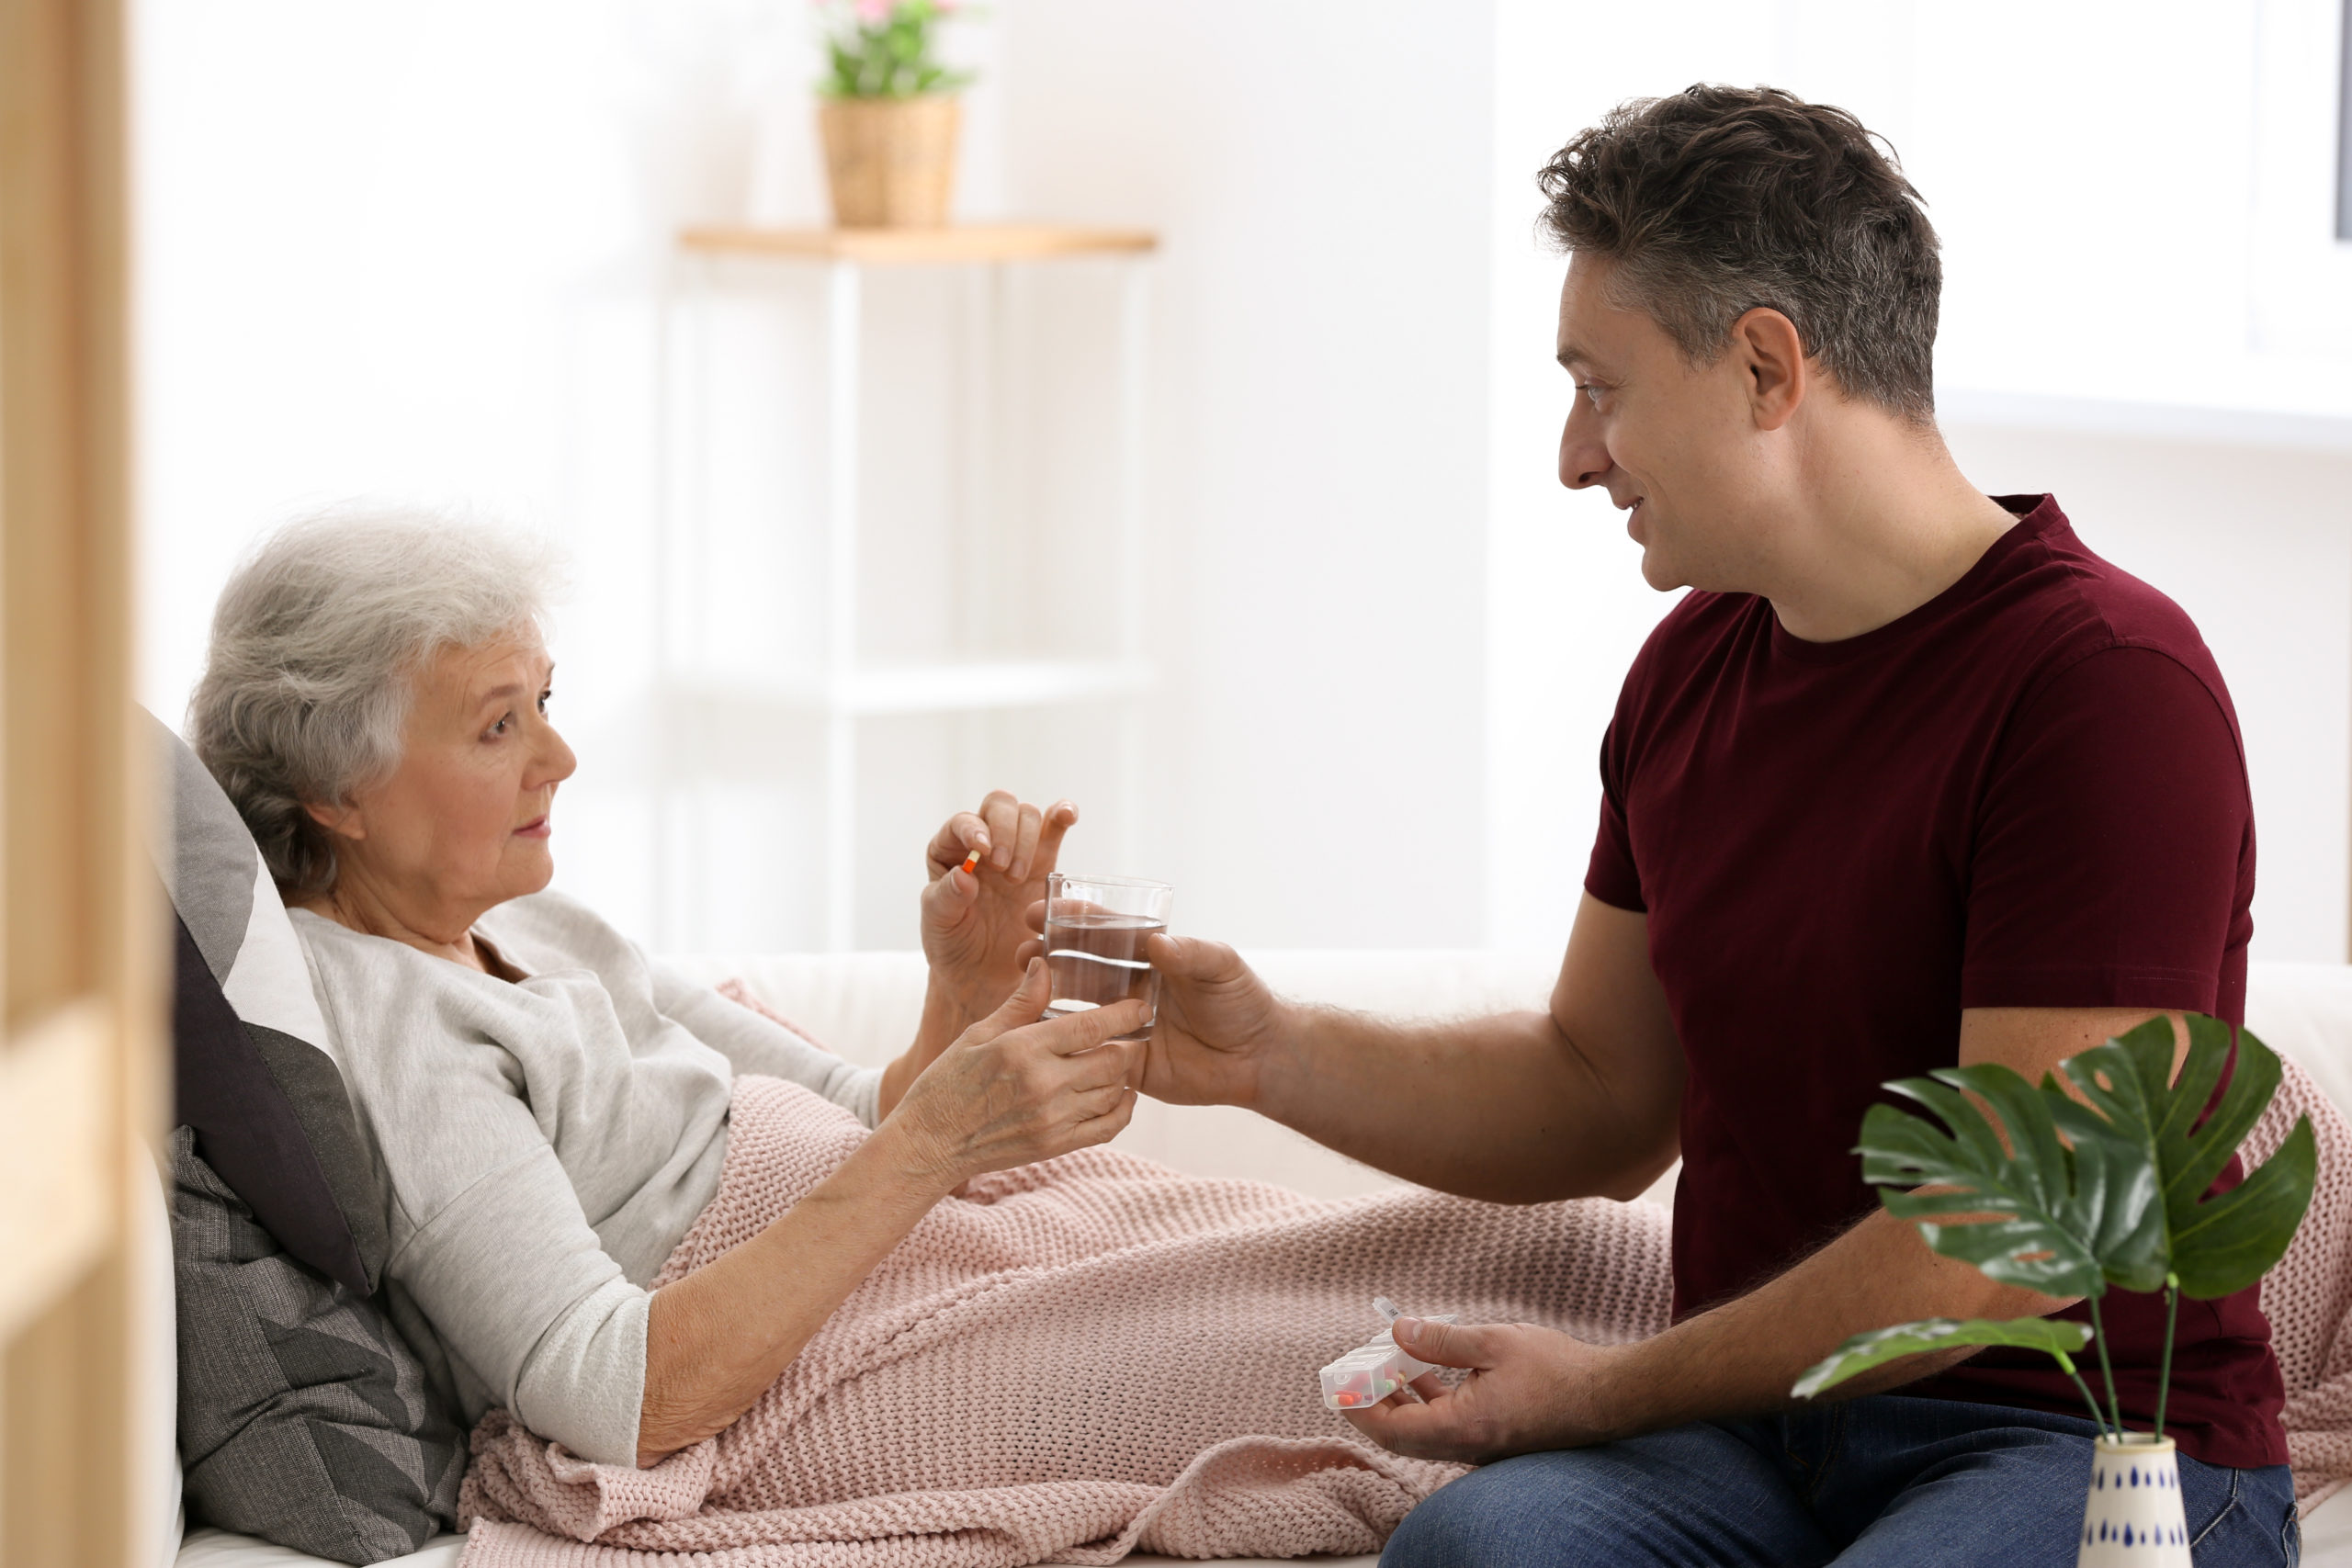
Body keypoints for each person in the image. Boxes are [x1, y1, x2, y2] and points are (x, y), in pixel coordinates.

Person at [1133, 85, 2298, 1566]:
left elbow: (2003, 1250)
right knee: (1482, 1550)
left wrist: (1602, 1388)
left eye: (1599, 385)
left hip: (2081, 1444)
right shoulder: (1690, 669)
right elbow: (1600, 1090)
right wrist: (1265, 1051)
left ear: (1762, 365)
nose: (1573, 454)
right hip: (1763, 1446)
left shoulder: (2101, 688)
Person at [190, 509, 1152, 1470]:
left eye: (545, 703)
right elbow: (610, 1391)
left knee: (1274, 1275)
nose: (559, 760)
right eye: (496, 725)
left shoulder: (529, 923)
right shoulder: (400, 1035)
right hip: (858, 1359)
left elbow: (868, 1116)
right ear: (338, 786)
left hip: (932, 1263)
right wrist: (933, 1144)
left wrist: (965, 990)